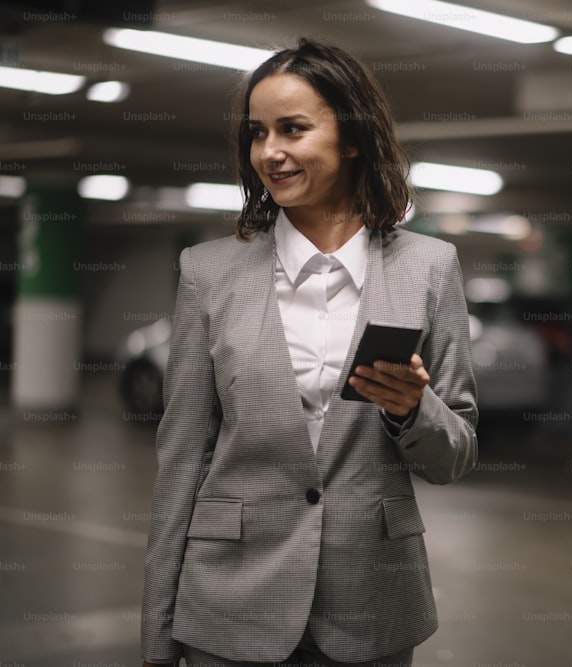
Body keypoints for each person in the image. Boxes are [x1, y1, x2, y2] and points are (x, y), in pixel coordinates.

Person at [140, 38, 478, 667]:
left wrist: (413, 409)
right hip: (228, 604)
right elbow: (183, 455)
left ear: (352, 138)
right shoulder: (207, 273)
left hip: (373, 604)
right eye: (257, 132)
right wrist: (157, 634)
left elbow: (455, 454)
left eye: (292, 129)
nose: (270, 151)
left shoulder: (430, 268)